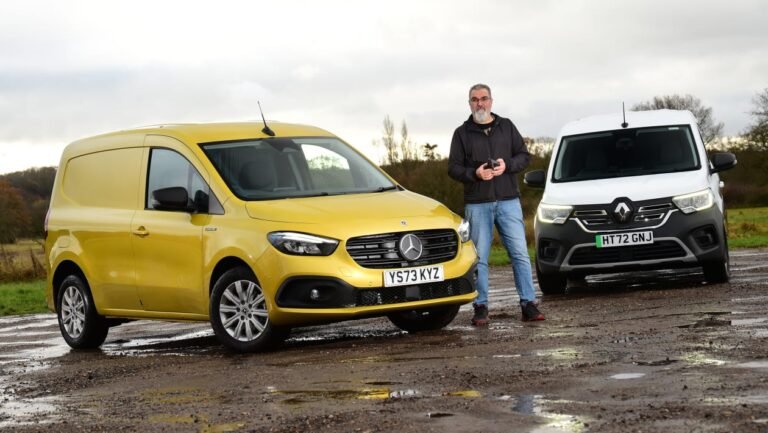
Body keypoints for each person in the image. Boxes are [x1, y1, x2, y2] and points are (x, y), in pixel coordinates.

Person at [448, 83, 545, 326]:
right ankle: (480, 307)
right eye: (474, 100)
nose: (479, 103)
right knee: (479, 258)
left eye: (483, 98)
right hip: (477, 203)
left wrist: (507, 166)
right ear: (469, 103)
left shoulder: (507, 126)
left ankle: (528, 304)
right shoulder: (462, 133)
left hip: (508, 201)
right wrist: (475, 174)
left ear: (491, 101)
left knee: (520, 255)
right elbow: (453, 168)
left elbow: (524, 156)